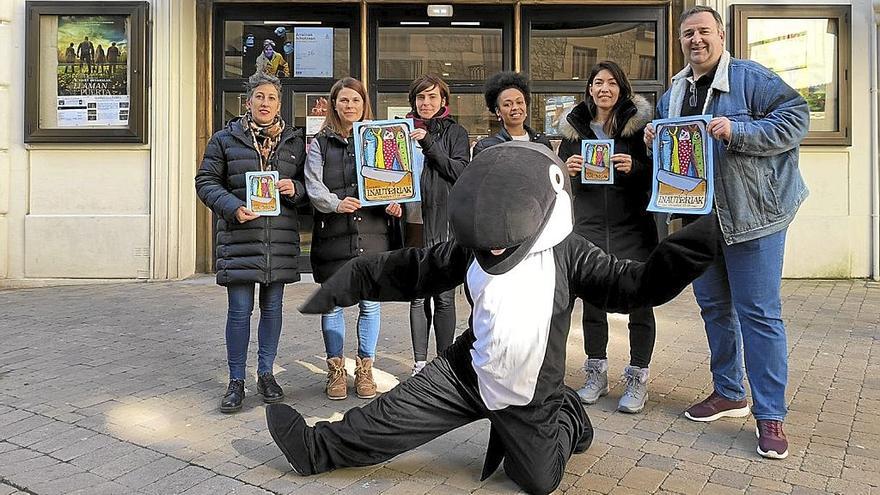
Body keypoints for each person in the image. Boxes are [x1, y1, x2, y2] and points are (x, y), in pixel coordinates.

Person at [264, 142, 719, 495]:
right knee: (383, 422)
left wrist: (693, 245)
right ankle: (313, 449)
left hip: (530, 391)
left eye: (503, 244)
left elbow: (633, 286)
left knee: (538, 481)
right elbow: (413, 269)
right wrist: (347, 283)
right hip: (466, 372)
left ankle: (569, 415)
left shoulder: (569, 252)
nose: (495, 251)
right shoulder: (469, 247)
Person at [644, 5, 809, 459]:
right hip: (697, 218)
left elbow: (797, 118)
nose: (695, 40)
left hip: (753, 216)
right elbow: (674, 143)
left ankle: (770, 414)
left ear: (721, 35)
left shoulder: (751, 77)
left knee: (758, 313)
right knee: (715, 307)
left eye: (703, 32)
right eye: (687, 34)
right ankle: (729, 391)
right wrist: (655, 137)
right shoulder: (674, 92)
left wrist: (738, 131)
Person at [195, 72, 307, 413]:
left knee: (272, 310)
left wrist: (295, 189)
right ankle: (236, 381)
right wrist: (232, 207)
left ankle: (266, 374)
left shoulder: (294, 141)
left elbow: (307, 187)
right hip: (240, 238)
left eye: (271, 98)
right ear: (249, 102)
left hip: (279, 243)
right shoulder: (224, 140)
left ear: (278, 104)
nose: (265, 103)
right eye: (260, 97)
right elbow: (205, 181)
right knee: (240, 311)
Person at [557, 61, 657, 414]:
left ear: (622, 88)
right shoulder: (573, 131)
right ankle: (596, 373)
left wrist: (637, 168)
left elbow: (659, 175)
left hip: (633, 227)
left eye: (612, 83)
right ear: (589, 89)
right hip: (589, 228)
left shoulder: (639, 130)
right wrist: (566, 171)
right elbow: (557, 182)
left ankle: (638, 379)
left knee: (639, 302)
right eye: (598, 82)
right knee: (593, 304)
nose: (604, 89)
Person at [305, 77, 403, 400]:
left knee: (370, 305)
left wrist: (394, 200)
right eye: (344, 100)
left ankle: (364, 369)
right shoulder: (320, 144)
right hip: (333, 238)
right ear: (334, 104)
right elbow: (313, 186)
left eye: (356, 101)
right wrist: (335, 204)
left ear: (364, 105)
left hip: (373, 236)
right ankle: (335, 371)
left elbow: (393, 178)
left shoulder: (378, 139)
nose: (350, 106)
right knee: (333, 306)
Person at [404, 74, 470, 376]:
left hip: (444, 225)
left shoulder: (456, 132)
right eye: (421, 97)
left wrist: (428, 142)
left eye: (432, 97)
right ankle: (419, 363)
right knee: (418, 295)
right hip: (413, 221)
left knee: (443, 295)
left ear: (443, 101)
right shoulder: (399, 131)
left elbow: (459, 171)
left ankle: (443, 364)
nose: (426, 103)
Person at [472, 71, 551, 156]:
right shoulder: (486, 147)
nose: (515, 108)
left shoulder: (542, 143)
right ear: (498, 111)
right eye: (507, 104)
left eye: (519, 102)